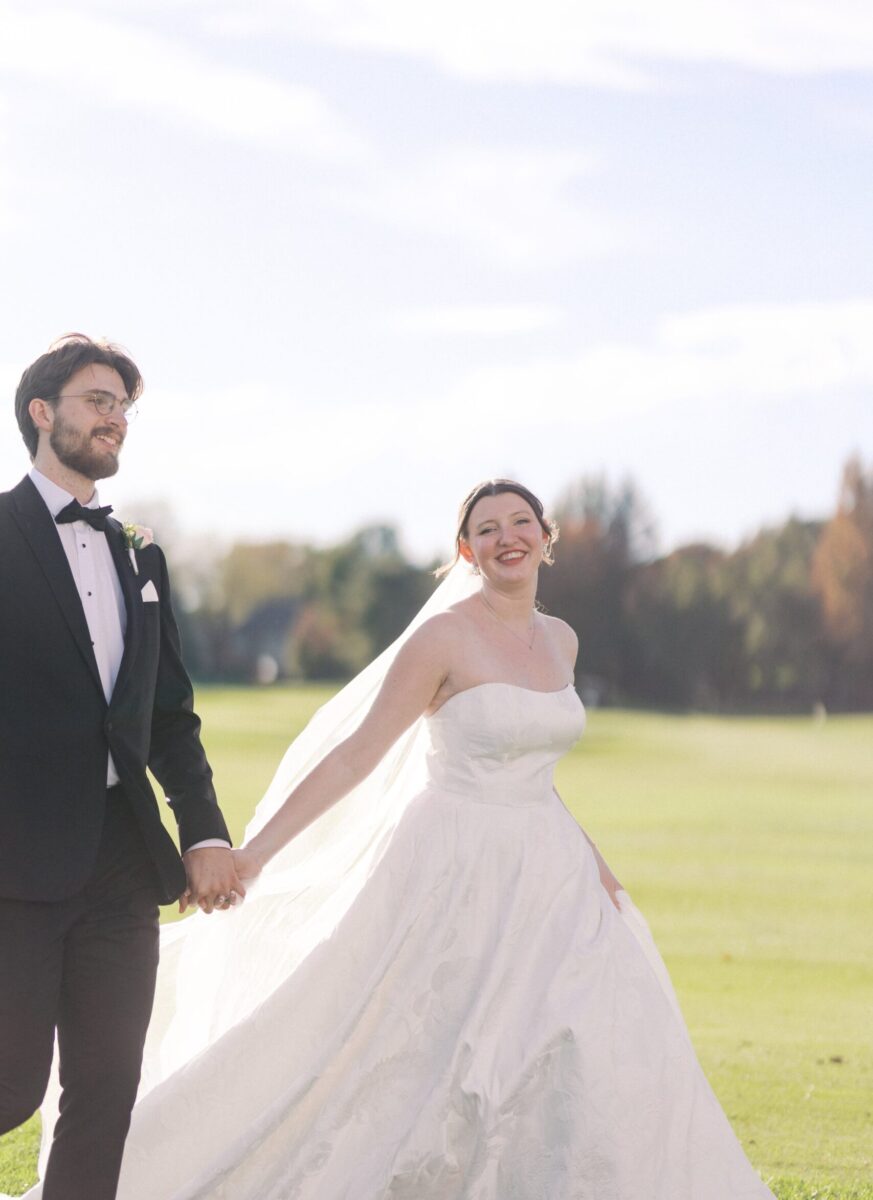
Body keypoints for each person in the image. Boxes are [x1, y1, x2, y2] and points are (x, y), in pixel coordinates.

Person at [24, 478, 774, 1199]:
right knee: (403, 1043)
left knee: (570, 1031)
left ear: (546, 540)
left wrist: (598, 869)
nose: (505, 537)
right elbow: (357, 754)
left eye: (519, 524)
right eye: (486, 529)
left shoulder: (563, 641)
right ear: (465, 551)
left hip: (547, 872)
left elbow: (537, 774)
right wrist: (256, 852)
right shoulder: (442, 639)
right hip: (448, 865)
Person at [0, 334, 242, 1200]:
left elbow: (168, 715)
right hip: (12, 863)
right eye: (99, 401)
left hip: (121, 862)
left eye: (123, 409)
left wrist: (204, 829)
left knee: (105, 1090)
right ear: (42, 411)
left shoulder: (140, 551)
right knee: (10, 1087)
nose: (116, 420)